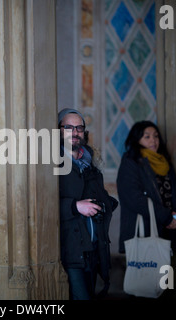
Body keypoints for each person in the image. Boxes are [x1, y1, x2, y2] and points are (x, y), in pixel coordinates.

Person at [58, 108, 118, 300]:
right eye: (68, 127)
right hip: (71, 249)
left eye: (79, 128)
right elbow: (41, 208)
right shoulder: (51, 164)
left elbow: (98, 196)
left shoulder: (91, 163)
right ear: (58, 131)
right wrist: (75, 206)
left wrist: (106, 204)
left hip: (93, 247)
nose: (75, 133)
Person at [117, 120, 176, 254]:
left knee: (165, 274)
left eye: (156, 136)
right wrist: (166, 216)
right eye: (147, 136)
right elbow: (134, 198)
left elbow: (175, 194)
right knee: (145, 273)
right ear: (137, 140)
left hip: (167, 231)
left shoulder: (164, 162)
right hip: (143, 233)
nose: (153, 140)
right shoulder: (131, 163)